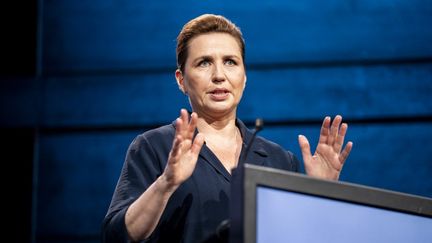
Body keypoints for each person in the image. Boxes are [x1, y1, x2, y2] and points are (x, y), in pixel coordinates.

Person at [101, 13, 353, 243]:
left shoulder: (279, 160)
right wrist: (166, 183)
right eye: (204, 63)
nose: (219, 75)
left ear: (244, 77)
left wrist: (322, 196)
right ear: (181, 80)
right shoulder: (155, 147)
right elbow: (116, 236)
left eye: (231, 62)